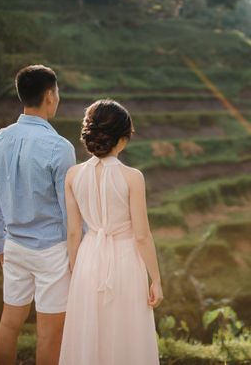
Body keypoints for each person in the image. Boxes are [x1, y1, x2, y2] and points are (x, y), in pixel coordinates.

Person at [0, 64, 76, 365]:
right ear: (49, 96)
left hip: (14, 247)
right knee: (49, 334)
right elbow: (68, 211)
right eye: (57, 92)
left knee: (9, 323)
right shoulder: (60, 147)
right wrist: (76, 254)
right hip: (52, 251)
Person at [59, 99, 162, 365]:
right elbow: (141, 235)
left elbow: (73, 233)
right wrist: (156, 280)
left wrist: (76, 270)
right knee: (125, 333)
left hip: (88, 258)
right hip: (125, 260)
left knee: (91, 334)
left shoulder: (72, 175)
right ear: (123, 137)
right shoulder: (132, 177)